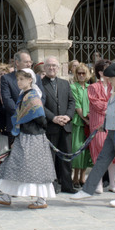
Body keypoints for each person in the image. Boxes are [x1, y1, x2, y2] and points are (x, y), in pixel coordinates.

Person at [72, 61, 115, 207]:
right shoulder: (114, 93)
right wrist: (104, 125)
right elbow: (112, 112)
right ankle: (87, 190)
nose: (108, 80)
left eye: (111, 77)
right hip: (111, 132)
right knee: (101, 161)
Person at [0, 68, 56, 209]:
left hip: (33, 137)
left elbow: (40, 117)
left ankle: (41, 199)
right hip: (25, 136)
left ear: (30, 80)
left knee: (34, 167)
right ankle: (7, 195)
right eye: (18, 79)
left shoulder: (32, 96)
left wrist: (38, 130)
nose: (18, 82)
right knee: (14, 164)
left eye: (22, 79)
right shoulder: (24, 95)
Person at [41, 56, 76, 194]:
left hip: (65, 126)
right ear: (44, 68)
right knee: (51, 158)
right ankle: (52, 186)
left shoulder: (65, 83)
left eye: (54, 65)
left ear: (58, 68)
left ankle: (67, 185)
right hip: (51, 126)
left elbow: (71, 101)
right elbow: (40, 105)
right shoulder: (40, 84)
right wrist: (53, 118)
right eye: (49, 65)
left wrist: (68, 116)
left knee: (66, 157)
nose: (52, 68)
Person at [87, 59, 115, 193]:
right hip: (98, 124)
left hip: (113, 123)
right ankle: (98, 183)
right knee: (99, 152)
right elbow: (96, 104)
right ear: (100, 72)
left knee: (113, 154)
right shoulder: (93, 87)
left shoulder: (114, 87)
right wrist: (111, 106)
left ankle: (112, 183)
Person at [0, 50, 42, 144]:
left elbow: (42, 97)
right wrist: (23, 115)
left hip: (35, 124)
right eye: (26, 62)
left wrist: (35, 113)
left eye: (30, 62)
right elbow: (7, 100)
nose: (29, 64)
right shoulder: (6, 79)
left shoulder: (37, 78)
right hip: (16, 123)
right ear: (17, 63)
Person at [70, 64, 93, 186]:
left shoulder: (90, 87)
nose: (81, 75)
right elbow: (77, 105)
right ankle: (75, 176)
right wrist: (85, 120)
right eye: (79, 73)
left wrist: (91, 120)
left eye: (83, 73)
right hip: (78, 122)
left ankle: (83, 177)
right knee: (77, 149)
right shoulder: (73, 87)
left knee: (87, 151)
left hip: (90, 122)